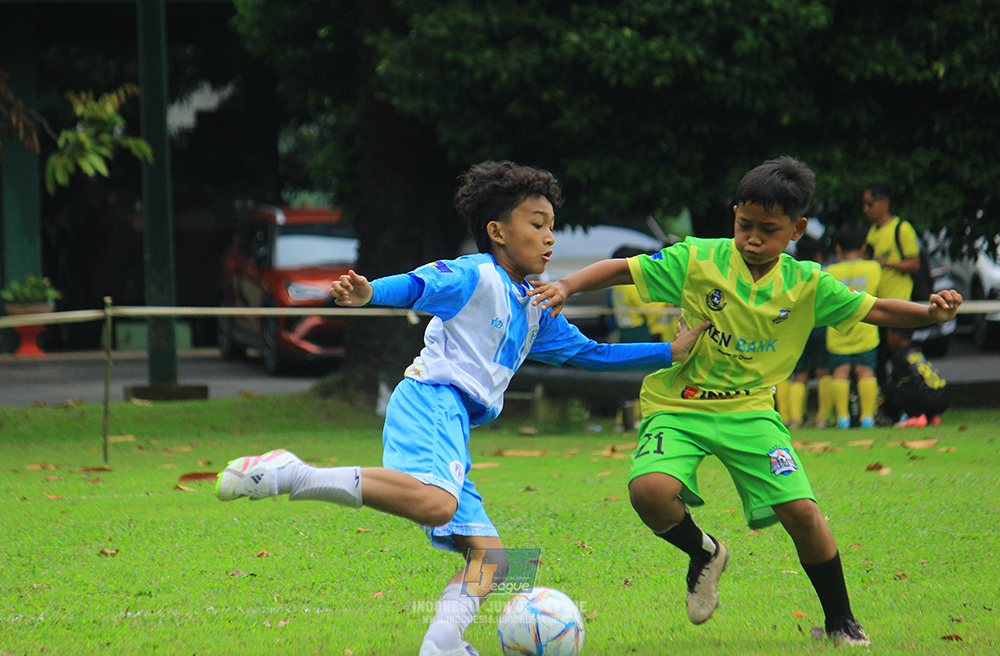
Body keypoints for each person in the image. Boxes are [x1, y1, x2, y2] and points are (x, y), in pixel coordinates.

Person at [215, 160, 710, 656]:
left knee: (493, 559)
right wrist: (369, 293)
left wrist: (669, 352)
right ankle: (291, 474)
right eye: (537, 224)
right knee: (438, 503)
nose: (549, 237)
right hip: (432, 400)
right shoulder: (476, 275)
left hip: (454, 421)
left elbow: (591, 354)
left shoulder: (536, 305)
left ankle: (443, 644)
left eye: (551, 227)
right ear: (497, 231)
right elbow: (418, 284)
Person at [528, 156, 963, 647]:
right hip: (682, 404)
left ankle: (841, 620)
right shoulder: (700, 260)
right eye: (745, 225)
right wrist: (566, 283)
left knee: (802, 512)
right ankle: (704, 552)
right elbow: (623, 270)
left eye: (769, 230)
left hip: (750, 409)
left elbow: (877, 309)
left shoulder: (807, 284)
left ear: (797, 229)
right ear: (734, 214)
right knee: (648, 491)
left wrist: (928, 312)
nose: (754, 238)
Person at [862, 183, 920, 385]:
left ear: (884, 203)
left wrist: (888, 264)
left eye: (870, 204)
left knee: (901, 356)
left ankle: (911, 402)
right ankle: (887, 405)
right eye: (864, 204)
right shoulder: (872, 232)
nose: (865, 209)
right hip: (879, 304)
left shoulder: (901, 228)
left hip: (900, 302)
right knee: (879, 359)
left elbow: (914, 263)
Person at [824, 226, 882, 428]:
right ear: (863, 247)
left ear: (838, 248)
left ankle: (843, 418)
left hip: (838, 330)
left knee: (840, 373)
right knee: (866, 372)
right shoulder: (874, 268)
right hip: (866, 329)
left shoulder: (830, 271)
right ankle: (867, 417)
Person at [775, 233, 834, 428]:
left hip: (796, 327)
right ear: (818, 255)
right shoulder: (823, 273)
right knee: (823, 370)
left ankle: (790, 418)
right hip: (821, 326)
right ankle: (822, 418)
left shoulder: (790, 273)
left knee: (796, 373)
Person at [880, 327, 949, 428]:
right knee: (917, 387)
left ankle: (916, 416)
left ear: (895, 336)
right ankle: (932, 416)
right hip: (943, 398)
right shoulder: (915, 350)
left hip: (929, 400)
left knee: (890, 387)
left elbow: (900, 382)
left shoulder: (899, 354)